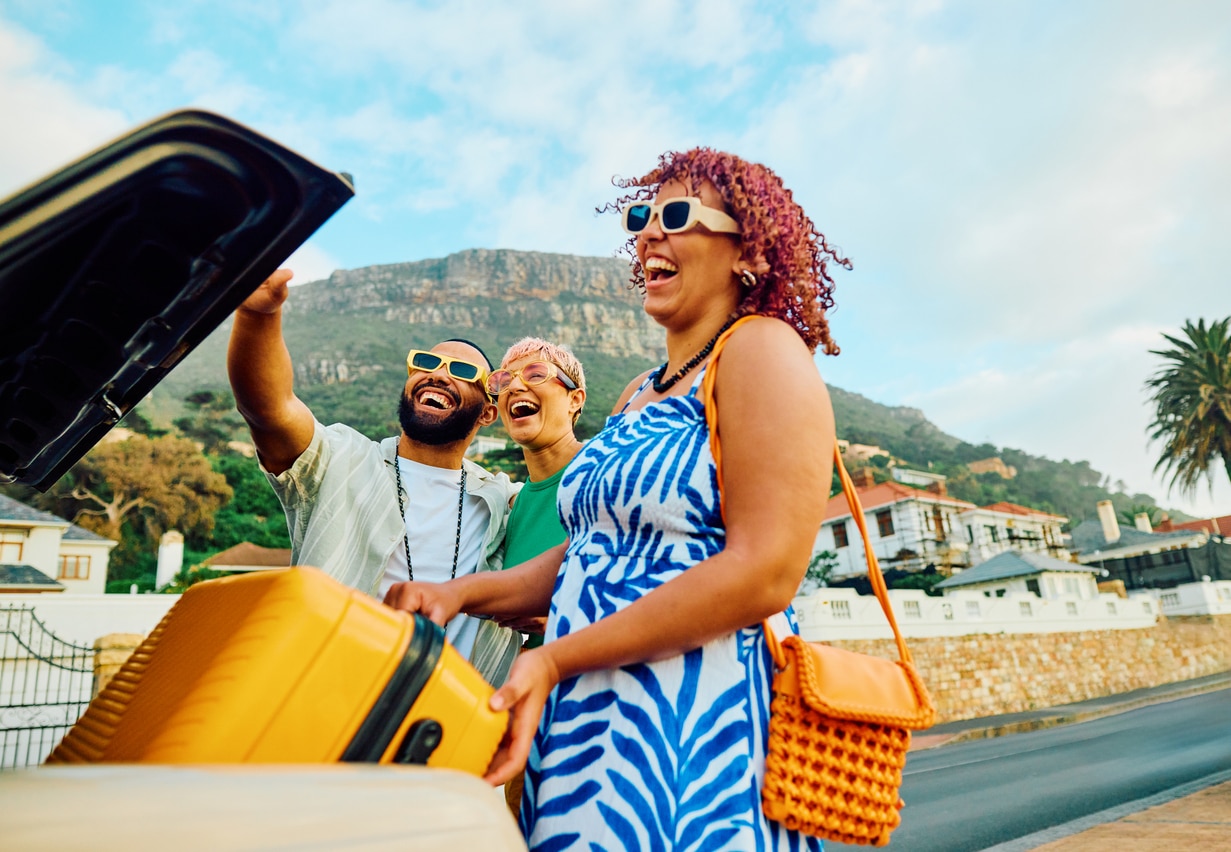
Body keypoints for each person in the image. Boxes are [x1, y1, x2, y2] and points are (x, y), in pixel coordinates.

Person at [384, 147, 845, 850]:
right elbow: (591, 551)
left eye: (676, 216)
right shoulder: (637, 392)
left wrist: (556, 659)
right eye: (641, 217)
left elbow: (766, 571)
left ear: (746, 248)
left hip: (691, 723)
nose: (647, 234)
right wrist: (460, 595)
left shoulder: (760, 350)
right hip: (586, 716)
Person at [227, 269, 521, 686]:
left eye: (460, 370)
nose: (438, 374)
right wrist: (259, 315)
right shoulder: (340, 459)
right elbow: (269, 409)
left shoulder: (503, 500)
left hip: (451, 728)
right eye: (426, 362)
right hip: (323, 701)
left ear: (489, 413)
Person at [482, 337, 588, 814]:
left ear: (575, 399)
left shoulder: (608, 471)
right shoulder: (514, 505)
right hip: (529, 722)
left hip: (602, 706)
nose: (514, 387)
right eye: (503, 381)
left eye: (537, 375)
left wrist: (563, 617)